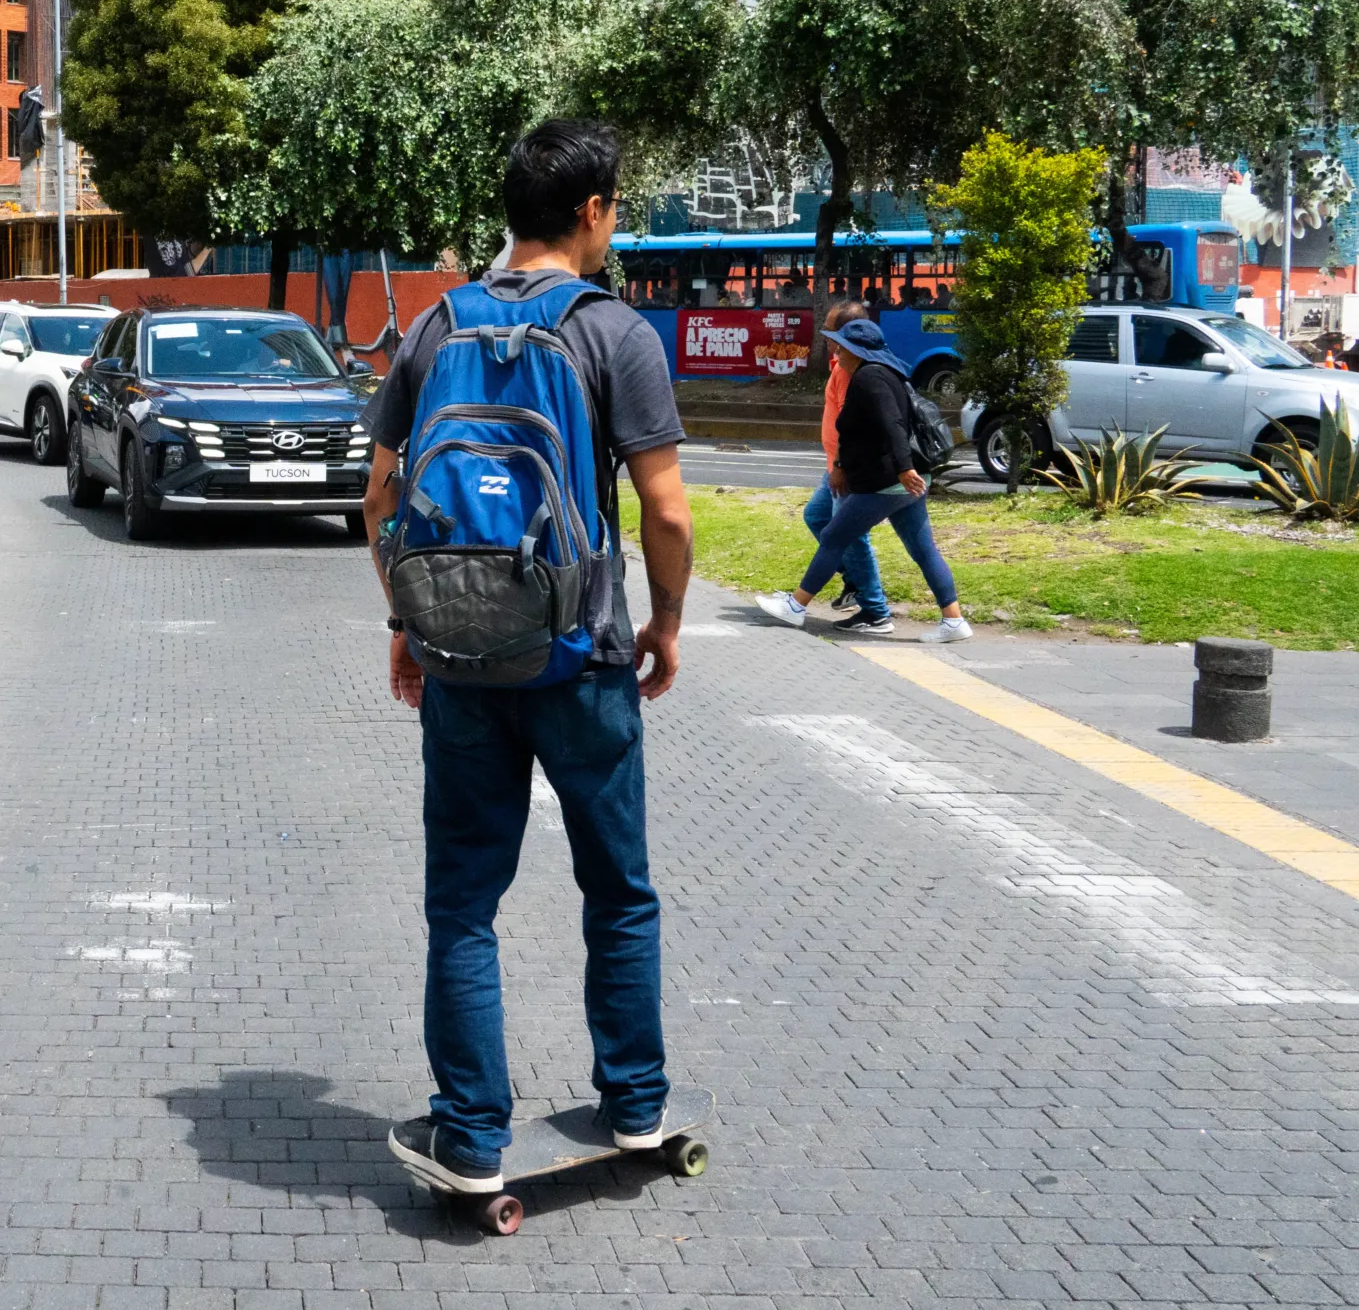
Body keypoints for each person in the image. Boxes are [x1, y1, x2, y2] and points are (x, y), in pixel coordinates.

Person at [361, 119, 697, 1196]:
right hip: (583, 657)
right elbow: (666, 514)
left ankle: (468, 1133)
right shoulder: (615, 334)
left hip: (461, 662)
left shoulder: (434, 327)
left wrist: (410, 628)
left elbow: (376, 497)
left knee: (463, 904)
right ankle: (635, 1106)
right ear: (592, 209)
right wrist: (667, 626)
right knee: (619, 891)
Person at [757, 317, 970, 642]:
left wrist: (902, 467)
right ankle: (954, 621)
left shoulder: (870, 377)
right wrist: (844, 464)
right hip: (903, 482)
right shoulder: (889, 374)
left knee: (833, 536)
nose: (836, 349)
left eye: (841, 344)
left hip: (887, 482)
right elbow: (863, 432)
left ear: (857, 350)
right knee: (923, 549)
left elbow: (893, 424)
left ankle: (796, 607)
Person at [801, 299, 892, 635]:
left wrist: (841, 466)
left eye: (832, 330)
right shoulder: (840, 365)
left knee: (850, 536)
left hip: (846, 469)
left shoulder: (854, 371)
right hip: (835, 466)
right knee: (816, 517)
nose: (826, 336)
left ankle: (875, 610)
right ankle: (855, 580)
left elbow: (850, 425)